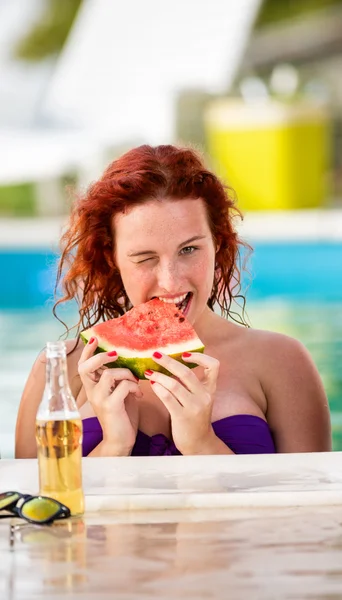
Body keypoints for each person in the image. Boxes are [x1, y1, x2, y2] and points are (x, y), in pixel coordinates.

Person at [15, 144, 332, 458]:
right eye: (144, 258)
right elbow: (33, 506)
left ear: (217, 244)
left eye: (189, 250)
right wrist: (114, 446)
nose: (170, 281)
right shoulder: (58, 369)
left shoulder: (282, 361)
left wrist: (201, 443)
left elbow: (309, 506)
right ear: (112, 259)